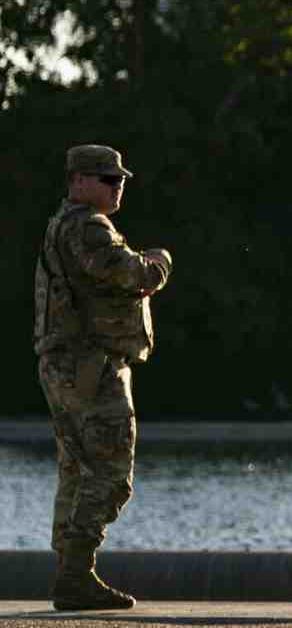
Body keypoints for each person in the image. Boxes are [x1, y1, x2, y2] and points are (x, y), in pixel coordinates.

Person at [33, 145, 172, 612]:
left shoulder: (62, 224)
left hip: (66, 365)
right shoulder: (88, 227)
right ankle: (76, 574)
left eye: (121, 179)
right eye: (108, 179)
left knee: (76, 469)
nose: (118, 187)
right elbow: (133, 274)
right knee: (111, 471)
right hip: (90, 366)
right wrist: (160, 262)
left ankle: (69, 573)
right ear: (79, 181)